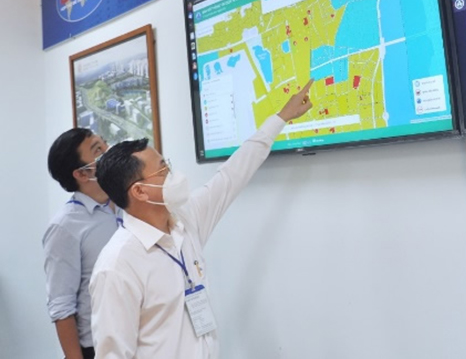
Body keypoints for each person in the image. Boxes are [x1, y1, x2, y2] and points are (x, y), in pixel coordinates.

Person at [90, 80, 314, 359]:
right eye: (163, 170)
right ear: (139, 191)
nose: (173, 174)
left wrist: (280, 118)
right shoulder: (117, 266)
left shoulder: (184, 221)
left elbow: (232, 175)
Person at [43, 128, 122, 359]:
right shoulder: (65, 226)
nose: (109, 151)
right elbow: (61, 305)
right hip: (98, 348)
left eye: (104, 143)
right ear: (82, 174)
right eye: (98, 150)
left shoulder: (125, 204)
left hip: (139, 338)